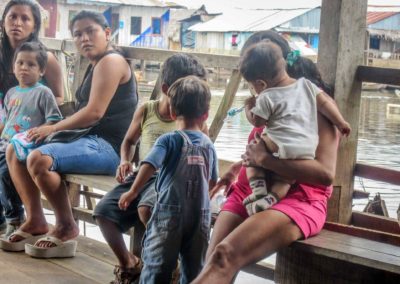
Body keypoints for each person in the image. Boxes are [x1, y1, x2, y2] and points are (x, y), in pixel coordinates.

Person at [192, 30, 340, 284]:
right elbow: (277, 144)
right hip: (251, 188)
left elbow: (325, 176)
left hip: (299, 198)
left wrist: (266, 161)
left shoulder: (316, 106)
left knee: (224, 257)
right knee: (212, 259)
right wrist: (237, 167)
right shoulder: (267, 98)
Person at [3, 10, 137, 258]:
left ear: (107, 33)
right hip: (84, 139)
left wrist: (52, 128)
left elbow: (94, 113)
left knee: (39, 159)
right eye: (78, 34)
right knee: (16, 147)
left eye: (90, 31)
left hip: (108, 148)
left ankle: (65, 225)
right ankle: (35, 220)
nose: (84, 38)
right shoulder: (96, 63)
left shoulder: (111, 61)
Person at [93, 53, 208, 284]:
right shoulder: (147, 110)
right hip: (140, 176)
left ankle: (164, 263)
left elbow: (203, 155)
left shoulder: (194, 120)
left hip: (170, 181)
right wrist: (124, 160)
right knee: (103, 212)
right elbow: (129, 142)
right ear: (166, 88)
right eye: (187, 90)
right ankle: (129, 262)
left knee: (147, 209)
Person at [118, 75, 218, 284]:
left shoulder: (169, 139)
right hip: (200, 215)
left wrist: (133, 191)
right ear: (206, 115)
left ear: (173, 113)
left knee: (157, 265)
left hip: (169, 213)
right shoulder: (208, 145)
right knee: (194, 268)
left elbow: (149, 164)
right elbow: (212, 180)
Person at [240, 41, 350, 215]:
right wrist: (341, 122)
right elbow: (325, 103)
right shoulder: (306, 85)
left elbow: (257, 122)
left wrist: (248, 107)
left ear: (260, 83)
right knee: (286, 177)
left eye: (252, 86)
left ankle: (258, 190)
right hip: (305, 149)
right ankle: (273, 198)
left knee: (254, 152)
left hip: (278, 145)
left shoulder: (266, 96)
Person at [0, 0, 64, 235]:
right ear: (3, 21)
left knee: (6, 166)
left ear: (35, 24)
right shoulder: (2, 56)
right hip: (7, 125)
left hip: (34, 132)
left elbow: (59, 99)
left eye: (25, 18)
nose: (17, 23)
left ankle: (16, 218)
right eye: (12, 17)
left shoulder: (45, 58)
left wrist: (35, 117)